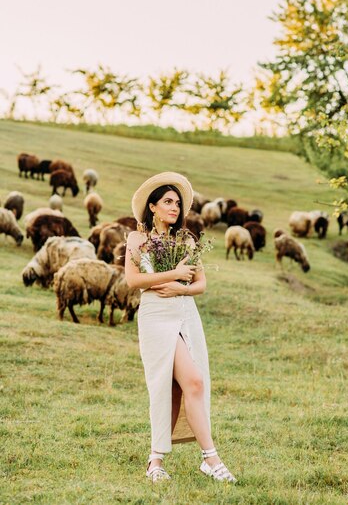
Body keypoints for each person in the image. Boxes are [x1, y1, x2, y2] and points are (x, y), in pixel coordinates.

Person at [125, 172, 236, 484]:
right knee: (180, 383)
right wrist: (171, 275)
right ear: (153, 207)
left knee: (183, 386)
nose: (174, 208)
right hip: (155, 316)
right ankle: (210, 458)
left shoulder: (186, 240)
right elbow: (133, 281)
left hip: (186, 312)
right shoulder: (137, 240)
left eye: (178, 203)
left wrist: (181, 289)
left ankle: (156, 459)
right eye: (168, 202)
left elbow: (200, 283)